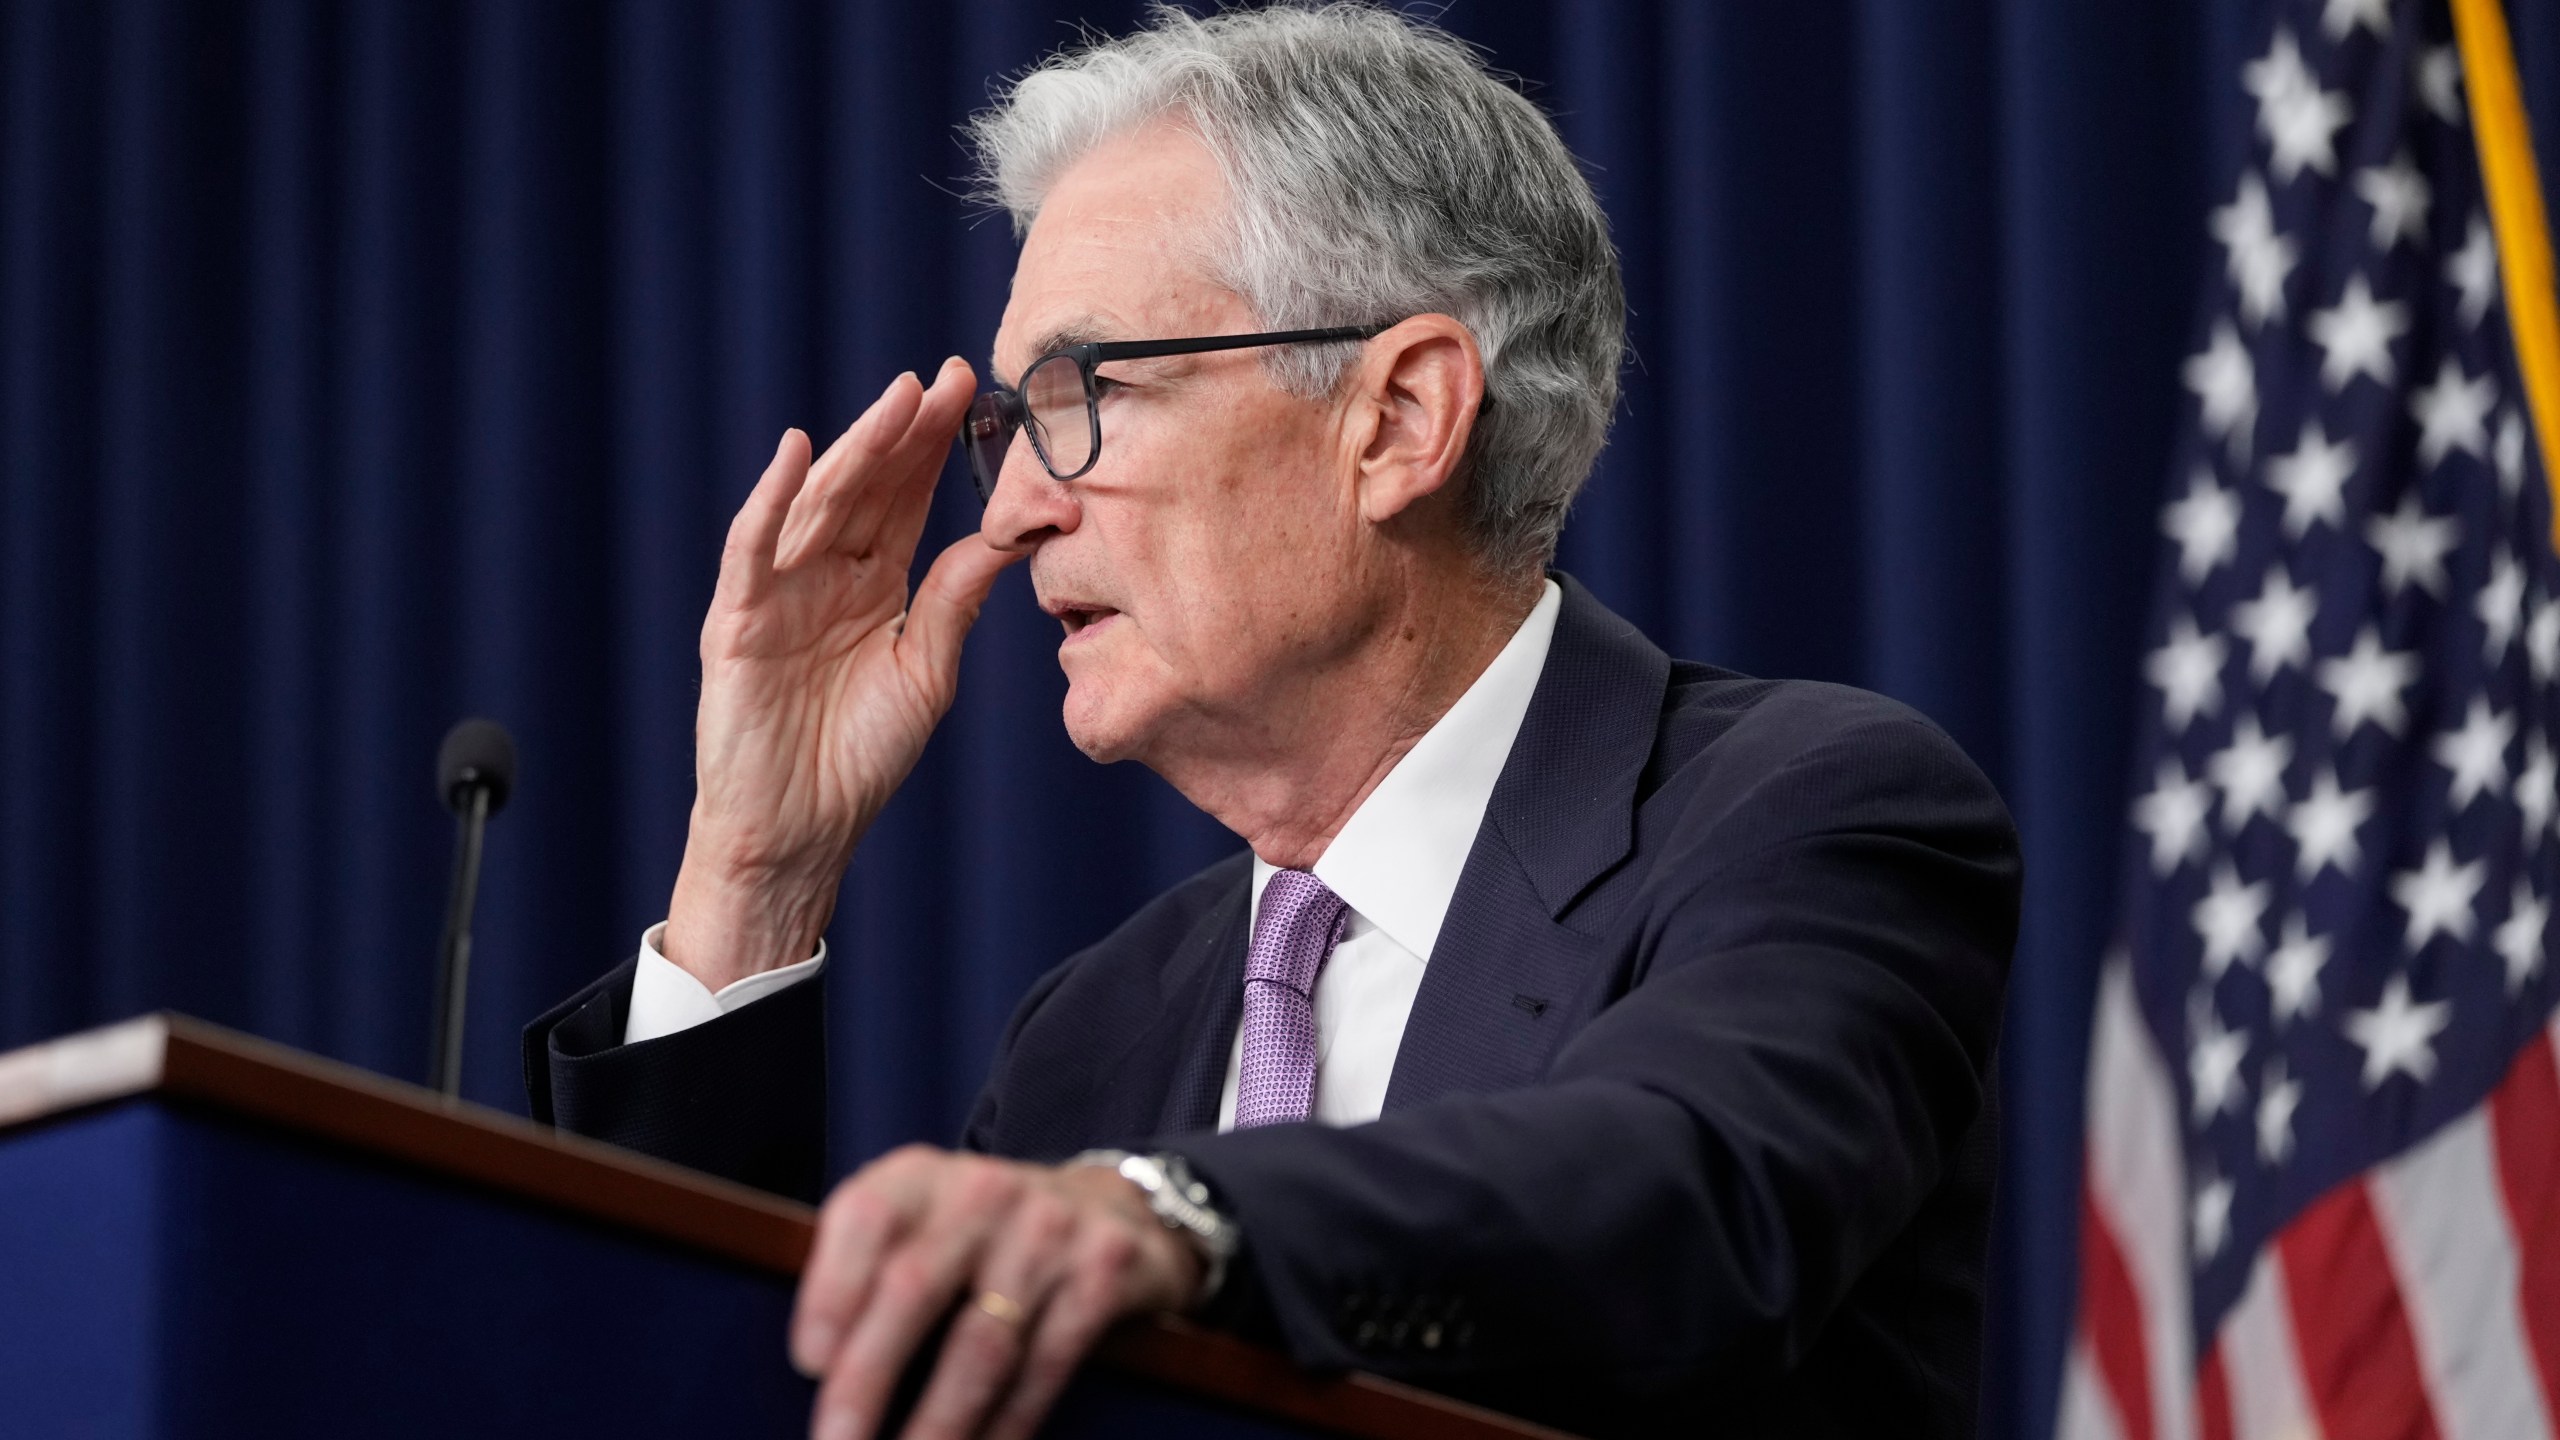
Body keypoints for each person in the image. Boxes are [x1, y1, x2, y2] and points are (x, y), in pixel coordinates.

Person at [523, 6, 2019, 1438]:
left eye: (1081, 393)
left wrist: (1180, 1219)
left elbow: (1688, 1189)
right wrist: (754, 873)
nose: (1022, 507)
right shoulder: (1095, 1037)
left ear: (1399, 419)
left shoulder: (1806, 814)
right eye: (1010, 432)